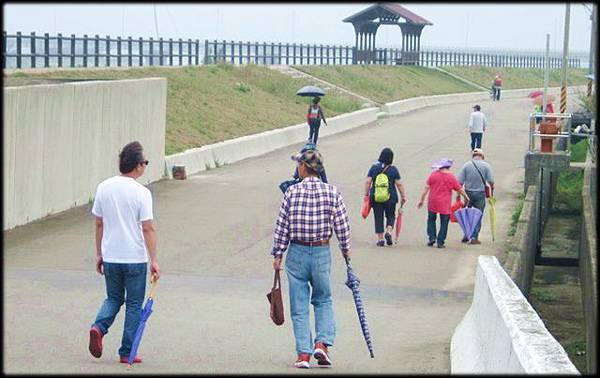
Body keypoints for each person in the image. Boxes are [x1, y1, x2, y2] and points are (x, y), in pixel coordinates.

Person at [271, 148, 351, 369]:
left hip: (296, 252)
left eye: (299, 164)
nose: (297, 167)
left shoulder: (291, 193)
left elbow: (282, 227)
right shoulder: (332, 193)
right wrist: (345, 251)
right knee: (323, 299)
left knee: (299, 305)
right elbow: (342, 226)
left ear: (304, 168)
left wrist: (277, 254)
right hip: (321, 252)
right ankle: (322, 344)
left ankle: (303, 355)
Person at [88, 141, 160, 364]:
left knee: (113, 298)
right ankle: (126, 351)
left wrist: (99, 253)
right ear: (138, 166)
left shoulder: (104, 187)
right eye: (145, 162)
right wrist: (154, 260)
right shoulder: (142, 193)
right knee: (134, 304)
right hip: (134, 258)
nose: (145, 166)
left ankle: (98, 327)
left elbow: (99, 224)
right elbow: (147, 228)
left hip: (111, 255)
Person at [417, 158, 469, 248]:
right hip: (444, 204)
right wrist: (466, 197)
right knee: (444, 222)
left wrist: (421, 200)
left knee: (431, 219)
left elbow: (426, 188)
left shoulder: (433, 175)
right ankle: (440, 241)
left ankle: (432, 237)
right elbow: (459, 189)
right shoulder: (451, 177)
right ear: (448, 167)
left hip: (432, 202)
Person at [364, 147, 407, 247]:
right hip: (390, 197)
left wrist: (366, 194)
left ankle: (380, 239)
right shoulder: (393, 169)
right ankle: (389, 231)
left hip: (376, 197)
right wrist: (403, 196)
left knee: (378, 216)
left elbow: (368, 181)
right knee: (390, 215)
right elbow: (399, 184)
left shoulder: (374, 168)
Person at [456, 148, 495, 245]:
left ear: (473, 156)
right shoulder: (486, 166)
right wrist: (491, 192)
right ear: (482, 156)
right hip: (480, 194)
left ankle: (466, 234)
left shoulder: (466, 165)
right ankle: (474, 237)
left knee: (467, 215)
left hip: (467, 194)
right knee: (478, 215)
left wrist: (458, 196)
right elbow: (491, 181)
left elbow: (459, 182)